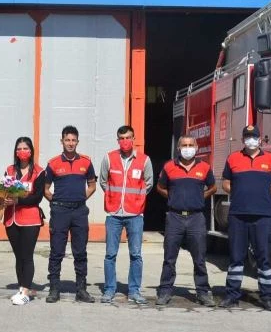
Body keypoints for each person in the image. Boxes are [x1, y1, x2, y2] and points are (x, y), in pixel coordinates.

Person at [219, 125, 271, 310]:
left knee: (264, 257)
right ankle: (232, 295)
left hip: (263, 215)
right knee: (236, 257)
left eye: (253, 136)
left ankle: (267, 297)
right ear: (242, 139)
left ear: (259, 139)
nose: (250, 139)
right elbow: (225, 184)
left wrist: (261, 194)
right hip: (238, 215)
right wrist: (240, 193)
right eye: (247, 136)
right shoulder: (233, 158)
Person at [155, 135, 218, 307]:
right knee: (169, 257)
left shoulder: (204, 167)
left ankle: (203, 292)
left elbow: (213, 187)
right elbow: (160, 187)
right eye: (184, 145)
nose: (187, 148)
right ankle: (165, 290)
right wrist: (173, 198)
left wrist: (200, 197)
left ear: (196, 148)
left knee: (199, 258)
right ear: (178, 148)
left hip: (196, 217)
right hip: (174, 217)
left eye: (191, 145)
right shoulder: (169, 167)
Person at [99, 125, 153, 305]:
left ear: (134, 138)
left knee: (136, 254)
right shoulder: (109, 158)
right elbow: (103, 181)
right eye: (121, 138)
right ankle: (109, 289)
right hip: (114, 213)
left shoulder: (144, 160)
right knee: (110, 254)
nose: (125, 141)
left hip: (135, 214)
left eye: (128, 137)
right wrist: (113, 199)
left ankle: (134, 290)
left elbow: (148, 184)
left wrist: (137, 201)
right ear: (117, 140)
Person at [44, 125, 97, 303]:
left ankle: (81, 289)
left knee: (80, 251)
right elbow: (45, 189)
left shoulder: (86, 162)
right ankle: (54, 289)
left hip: (79, 211)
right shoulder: (53, 164)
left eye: (73, 140)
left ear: (77, 142)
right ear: (62, 141)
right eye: (67, 140)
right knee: (56, 251)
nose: (70, 143)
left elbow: (92, 185)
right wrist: (56, 202)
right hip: (60, 211)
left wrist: (82, 198)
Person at [3, 137, 45, 305]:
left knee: (27, 256)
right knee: (18, 256)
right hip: (11, 219)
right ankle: (21, 288)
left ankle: (26, 292)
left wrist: (18, 201)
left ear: (31, 151)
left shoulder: (39, 172)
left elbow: (37, 197)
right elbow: (4, 190)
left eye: (25, 148)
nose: (22, 151)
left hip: (30, 219)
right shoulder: (10, 170)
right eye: (19, 148)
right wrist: (3, 199)